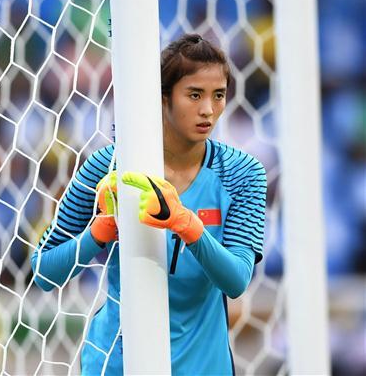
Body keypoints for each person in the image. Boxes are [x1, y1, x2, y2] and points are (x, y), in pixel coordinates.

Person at [30, 33, 267, 375]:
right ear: (163, 98)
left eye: (218, 95)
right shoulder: (107, 166)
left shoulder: (243, 173)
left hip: (202, 366)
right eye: (194, 95)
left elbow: (236, 280)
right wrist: (98, 233)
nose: (208, 109)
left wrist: (185, 224)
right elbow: (43, 272)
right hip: (116, 363)